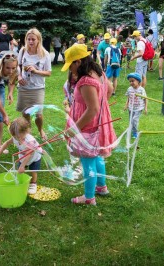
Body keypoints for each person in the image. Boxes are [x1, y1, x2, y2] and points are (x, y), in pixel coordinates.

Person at [61, 44, 116, 206]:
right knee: (96, 155)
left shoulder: (85, 81)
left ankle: (89, 197)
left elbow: (92, 110)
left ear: (78, 62)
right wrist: (101, 102)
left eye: (70, 65)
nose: (70, 70)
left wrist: (74, 130)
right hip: (96, 123)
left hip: (88, 126)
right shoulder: (98, 72)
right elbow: (110, 89)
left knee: (87, 161)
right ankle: (101, 187)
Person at [17, 28, 52, 141]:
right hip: (24, 87)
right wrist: (19, 76)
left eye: (33, 39)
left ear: (38, 40)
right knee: (25, 113)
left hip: (37, 88)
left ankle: (40, 130)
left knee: (38, 115)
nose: (30, 42)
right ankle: (28, 132)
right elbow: (18, 65)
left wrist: (36, 71)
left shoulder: (44, 54)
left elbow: (49, 73)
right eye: (28, 39)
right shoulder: (22, 51)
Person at [0, 117, 43, 195]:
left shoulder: (30, 141)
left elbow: (29, 154)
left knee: (33, 171)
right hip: (23, 156)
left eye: (19, 136)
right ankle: (21, 182)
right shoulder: (15, 137)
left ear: (26, 131)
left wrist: (22, 166)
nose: (17, 138)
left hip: (34, 157)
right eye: (15, 136)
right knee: (19, 171)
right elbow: (7, 143)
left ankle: (33, 183)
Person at [124, 73, 147, 139]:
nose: (131, 82)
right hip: (131, 108)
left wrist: (145, 108)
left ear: (138, 81)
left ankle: (135, 132)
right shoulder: (129, 89)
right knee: (131, 120)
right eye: (130, 81)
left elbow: (145, 99)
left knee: (134, 120)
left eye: (132, 81)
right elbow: (128, 98)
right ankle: (132, 130)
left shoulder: (141, 90)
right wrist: (126, 105)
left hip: (139, 108)